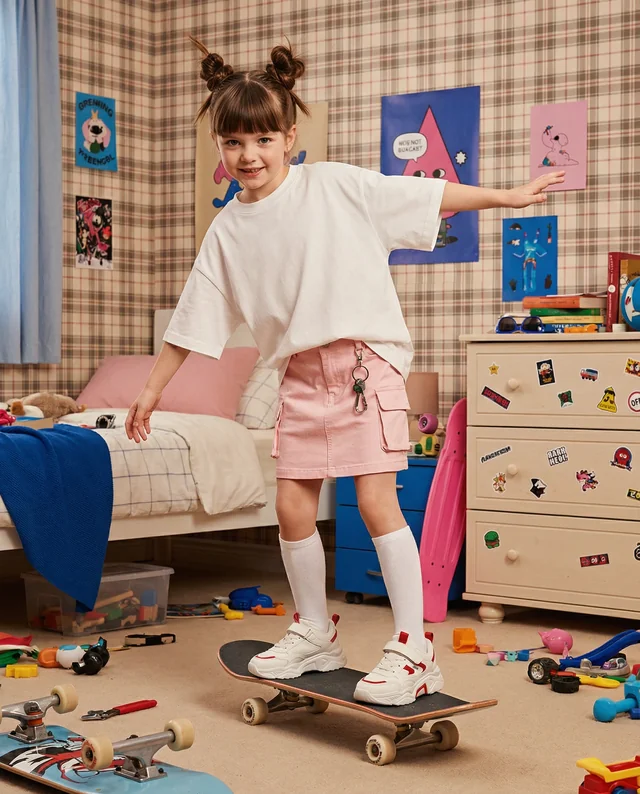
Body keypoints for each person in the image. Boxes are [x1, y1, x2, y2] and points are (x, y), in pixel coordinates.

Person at [125, 36, 565, 707]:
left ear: (289, 138)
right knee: (293, 502)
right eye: (234, 142)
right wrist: (150, 394)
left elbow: (426, 193)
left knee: (374, 498)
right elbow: (190, 322)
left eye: (263, 139)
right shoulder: (227, 232)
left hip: (364, 367)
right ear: (220, 149)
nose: (249, 155)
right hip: (299, 378)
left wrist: (507, 196)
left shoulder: (333, 185)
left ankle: (414, 650)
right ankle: (312, 631)